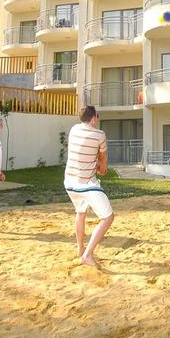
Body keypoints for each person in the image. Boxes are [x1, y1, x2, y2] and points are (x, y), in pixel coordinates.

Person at [64, 105, 115, 267]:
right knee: (108, 217)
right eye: (97, 117)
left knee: (80, 212)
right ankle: (87, 255)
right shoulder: (99, 134)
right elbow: (103, 164)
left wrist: (95, 164)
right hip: (85, 184)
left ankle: (80, 249)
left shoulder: (73, 130)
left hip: (69, 182)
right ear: (93, 119)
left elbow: (84, 154)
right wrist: (101, 167)